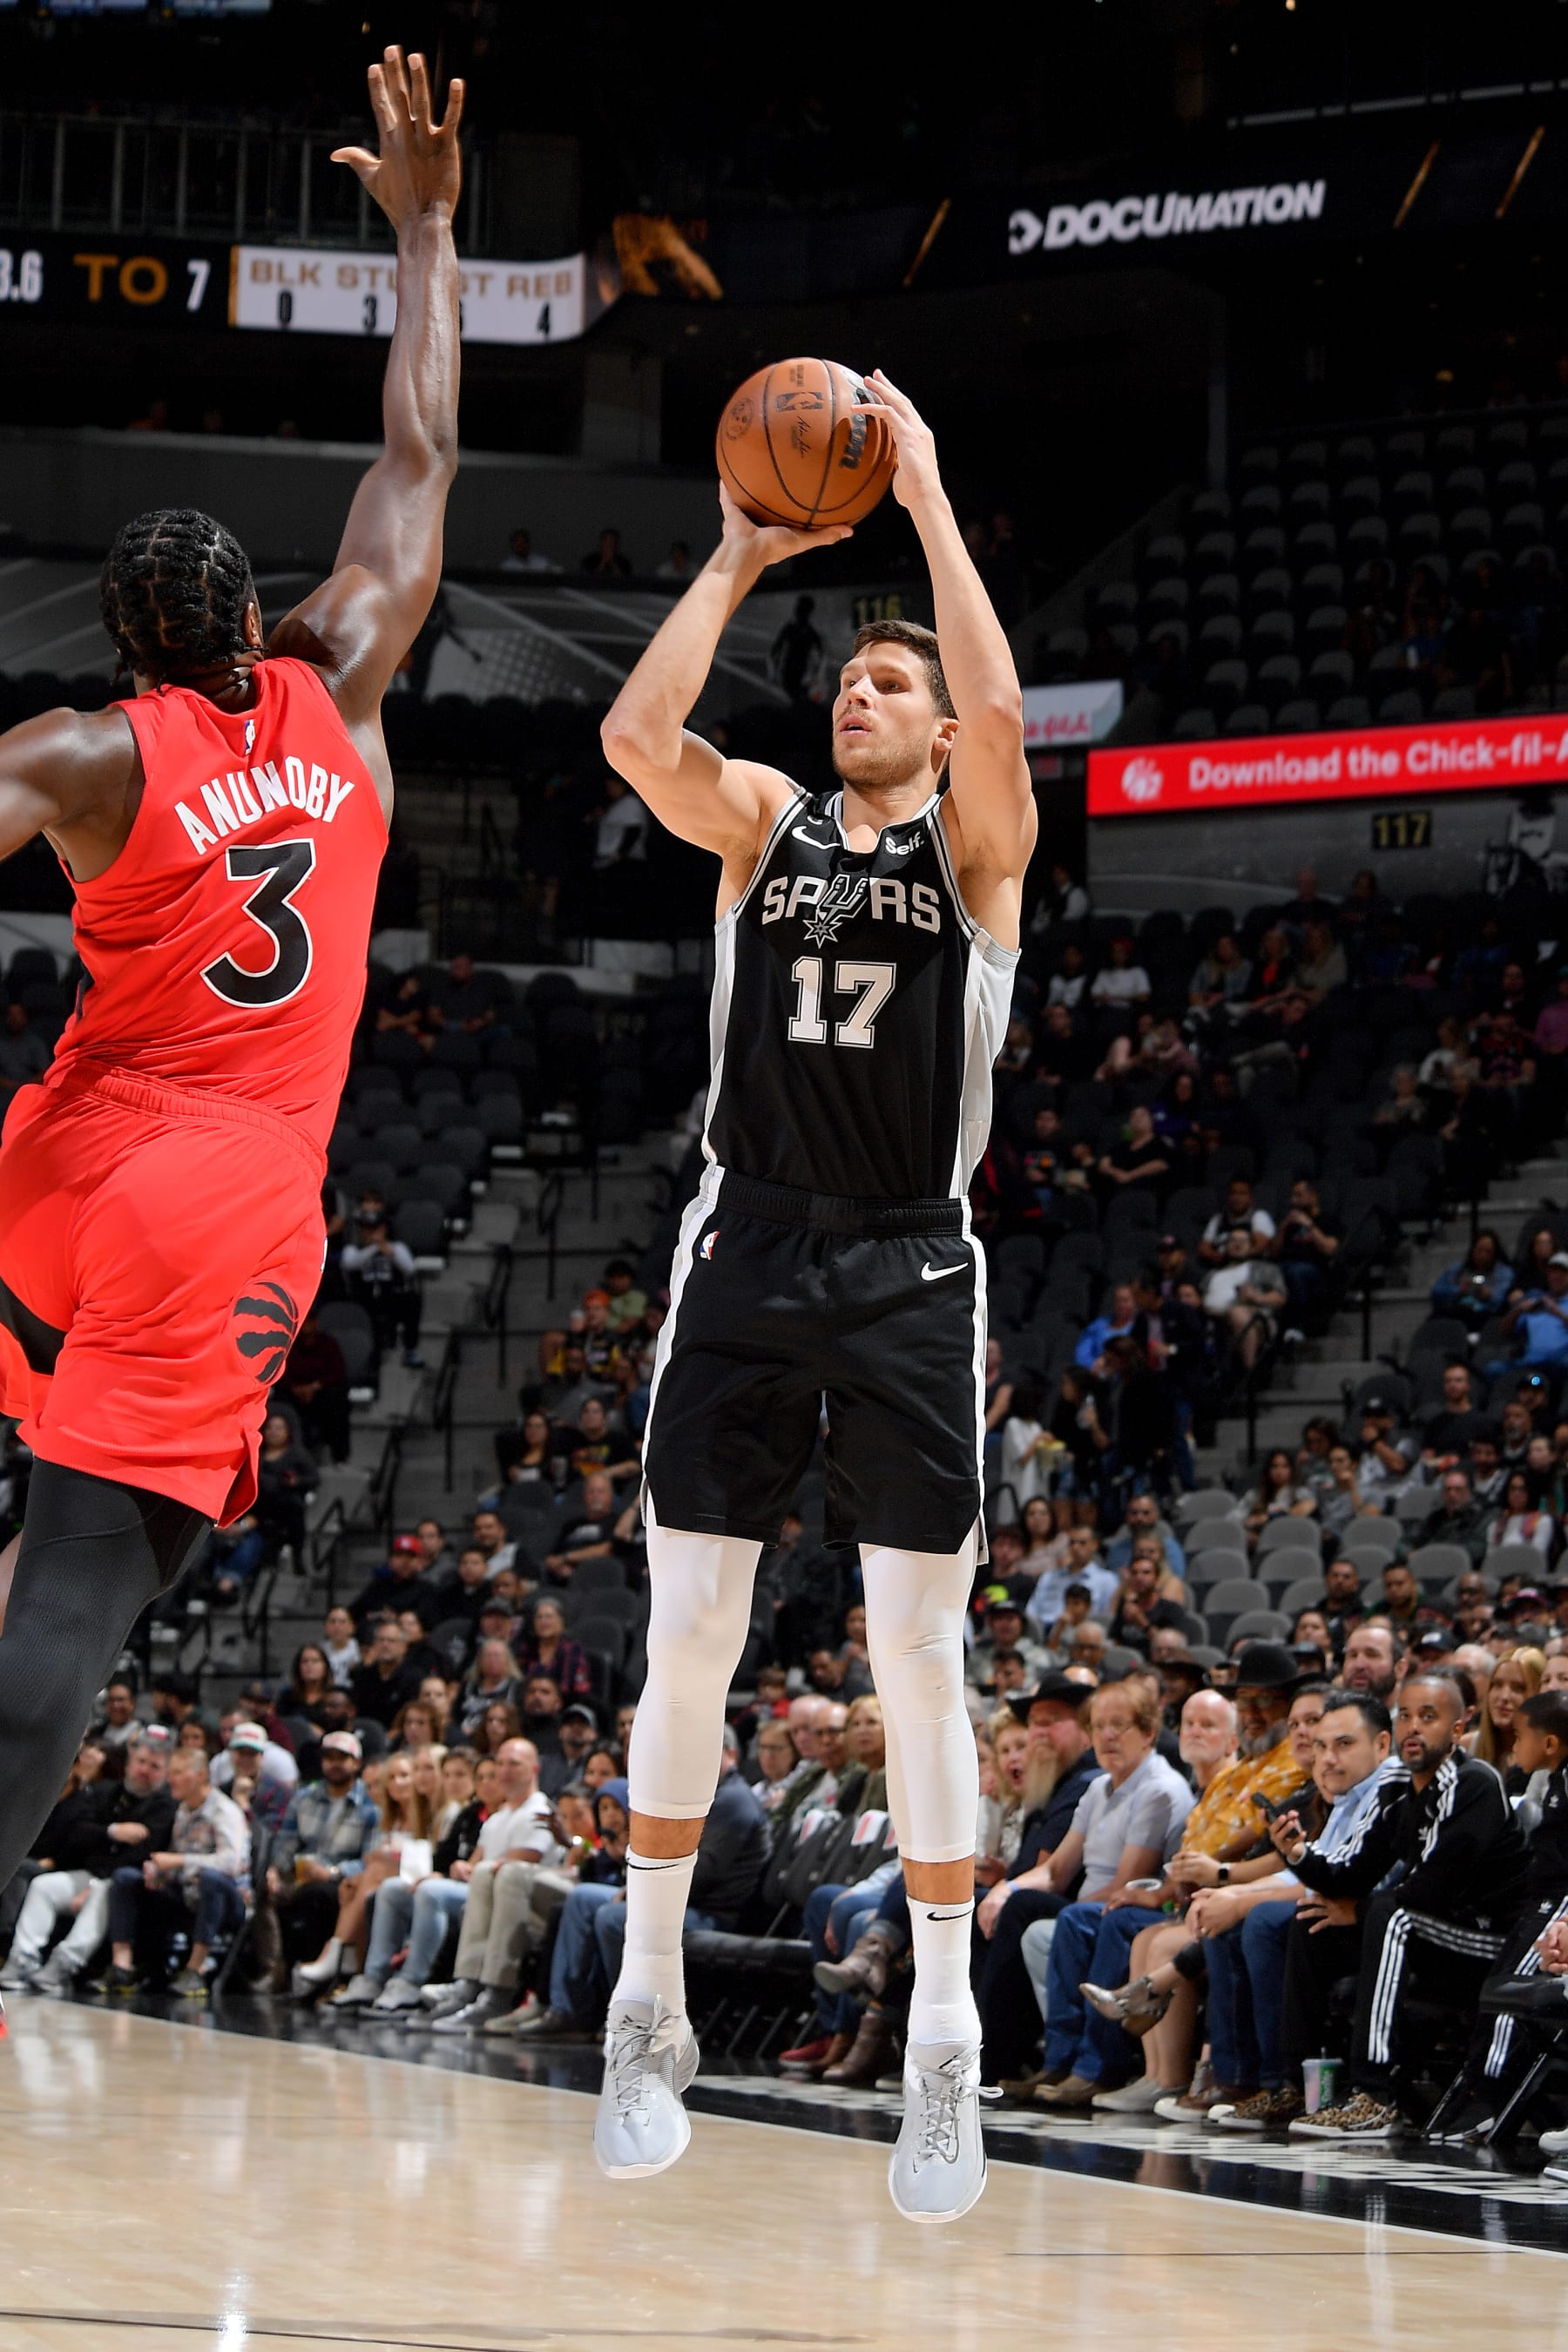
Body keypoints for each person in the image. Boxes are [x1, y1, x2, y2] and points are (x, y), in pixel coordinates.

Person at [0, 50, 465, 1941]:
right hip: (223, 1191)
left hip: (63, 1157)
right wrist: (428, 225)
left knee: (38, 1524)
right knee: (80, 1589)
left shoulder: (87, 752)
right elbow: (418, 456)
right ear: (265, 615)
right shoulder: (343, 680)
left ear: (127, 645)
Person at [593, 369, 1034, 2215]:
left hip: (912, 1257)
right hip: (748, 1240)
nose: (863, 692)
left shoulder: (976, 845)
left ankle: (947, 2040)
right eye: (851, 676)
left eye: (892, 685)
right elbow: (634, 737)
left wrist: (926, 496)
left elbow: (1006, 706)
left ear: (934, 737)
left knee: (918, 1654)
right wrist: (732, 545)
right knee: (688, 1630)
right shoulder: (763, 822)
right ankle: (643, 2005)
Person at [1281, 1670, 1530, 2140]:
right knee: (1311, 1924)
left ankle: (1375, 2096)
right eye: (1406, 1716)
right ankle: (1296, 2084)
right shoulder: (1397, 1785)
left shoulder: (1474, 1783)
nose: (1413, 1728)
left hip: (1491, 1940)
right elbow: (1354, 1872)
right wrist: (1296, 1853)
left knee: (1390, 1914)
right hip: (1434, 1929)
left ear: (1458, 1730)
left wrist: (1359, 1910)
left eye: (1429, 1717)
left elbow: (1434, 1887)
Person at [1, 1734, 176, 1995]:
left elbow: (142, 1854)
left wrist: (95, 1881)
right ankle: (22, 1960)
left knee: (107, 1890)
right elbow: (78, 1832)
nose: (144, 1771)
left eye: (154, 1766)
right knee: (44, 1886)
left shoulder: (166, 1807)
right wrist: (112, 1831)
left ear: (165, 1773)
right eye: (141, 1762)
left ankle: (63, 1965)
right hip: (91, 1873)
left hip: (127, 1885)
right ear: (129, 1762)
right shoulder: (107, 1791)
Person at [98, 1743, 248, 1997]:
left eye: (178, 1772)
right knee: (126, 1878)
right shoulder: (181, 1809)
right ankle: (122, 1965)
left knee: (211, 1880)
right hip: (185, 1892)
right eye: (171, 1772)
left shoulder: (224, 1811)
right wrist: (159, 1871)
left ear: (201, 1775)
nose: (171, 1779)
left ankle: (195, 1969)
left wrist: (179, 1861)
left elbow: (231, 1864)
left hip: (229, 1899)